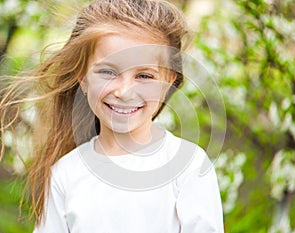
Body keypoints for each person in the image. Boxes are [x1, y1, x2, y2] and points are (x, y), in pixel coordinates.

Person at [0, 0, 224, 232]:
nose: (124, 91)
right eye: (108, 72)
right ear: (83, 78)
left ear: (168, 83)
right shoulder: (66, 174)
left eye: (145, 76)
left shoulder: (187, 166)